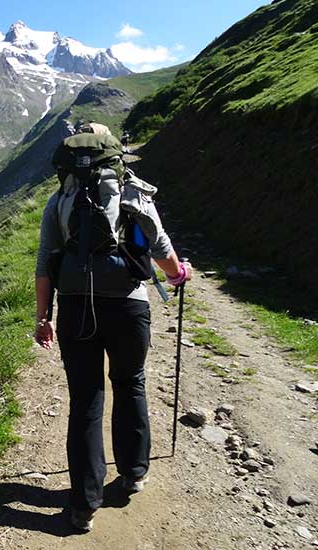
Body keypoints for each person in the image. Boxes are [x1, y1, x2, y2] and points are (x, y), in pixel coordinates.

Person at [33, 124, 192, 532]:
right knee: (130, 382)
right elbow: (160, 247)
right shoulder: (133, 192)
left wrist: (43, 317)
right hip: (128, 308)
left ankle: (84, 505)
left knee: (86, 400)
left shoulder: (60, 200)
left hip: (75, 309)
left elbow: (45, 262)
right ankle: (134, 473)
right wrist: (178, 275)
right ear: (115, 156)